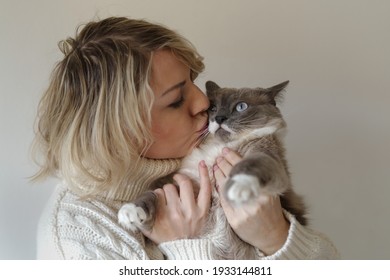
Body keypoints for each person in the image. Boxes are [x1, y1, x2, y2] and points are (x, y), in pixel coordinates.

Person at [33, 16, 339, 259]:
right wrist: (186, 247)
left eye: (193, 81)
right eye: (176, 100)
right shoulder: (78, 241)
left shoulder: (211, 154)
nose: (204, 103)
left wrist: (276, 236)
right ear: (121, 132)